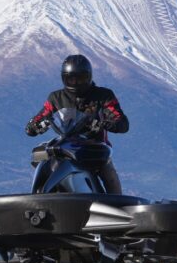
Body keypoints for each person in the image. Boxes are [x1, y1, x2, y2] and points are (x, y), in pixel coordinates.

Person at [24, 54, 129, 194]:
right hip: (65, 146)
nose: (76, 82)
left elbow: (121, 121)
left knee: (108, 171)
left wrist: (106, 123)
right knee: (44, 159)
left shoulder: (103, 95)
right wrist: (35, 126)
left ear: (89, 77)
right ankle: (37, 195)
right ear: (64, 78)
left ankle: (118, 204)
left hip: (93, 148)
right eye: (71, 78)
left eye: (80, 78)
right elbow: (41, 116)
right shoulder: (56, 98)